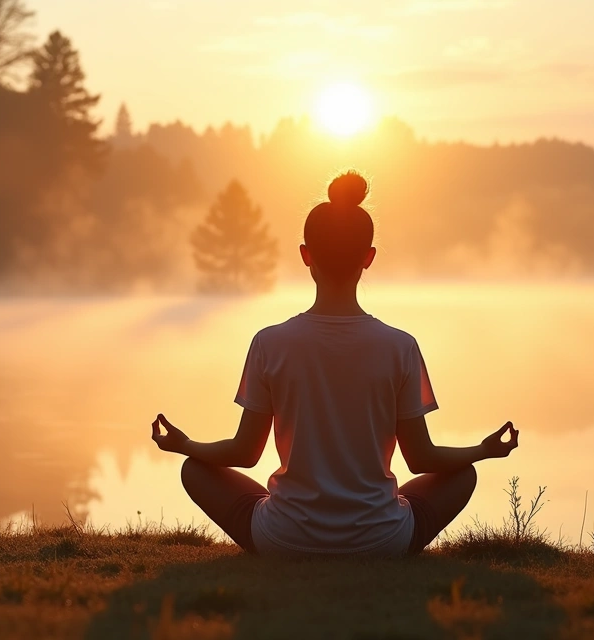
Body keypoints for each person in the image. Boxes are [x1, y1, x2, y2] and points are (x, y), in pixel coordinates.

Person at [149, 171, 520, 557]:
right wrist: (483, 449)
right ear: (369, 258)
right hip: (381, 542)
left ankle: (288, 520)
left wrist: (184, 444)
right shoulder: (400, 347)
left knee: (194, 469)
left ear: (306, 255)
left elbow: (246, 453)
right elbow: (421, 458)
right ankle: (378, 526)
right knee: (463, 476)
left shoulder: (269, 343)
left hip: (283, 540)